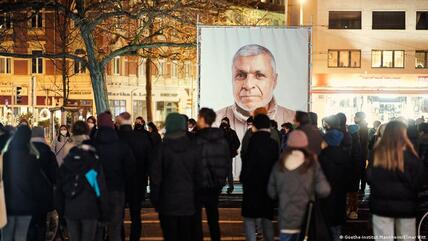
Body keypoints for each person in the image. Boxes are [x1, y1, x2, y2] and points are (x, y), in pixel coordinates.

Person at [215, 44, 295, 140]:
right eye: (240, 75)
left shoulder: (294, 121)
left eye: (259, 75)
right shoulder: (213, 123)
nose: (248, 85)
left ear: (274, 80)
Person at [367, 121, 426, 241]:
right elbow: (419, 181)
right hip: (407, 207)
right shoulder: (412, 156)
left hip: (381, 206)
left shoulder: (376, 154)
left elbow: (369, 177)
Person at [267, 130, 331, 241]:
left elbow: (271, 192)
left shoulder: (280, 164)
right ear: (305, 144)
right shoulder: (312, 163)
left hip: (286, 219)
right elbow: (324, 190)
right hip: (306, 220)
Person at [150, 113, 202, 241]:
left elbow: (155, 178)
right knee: (186, 235)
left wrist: (155, 200)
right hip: (188, 202)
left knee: (170, 236)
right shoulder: (193, 148)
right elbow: (200, 176)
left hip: (167, 202)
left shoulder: (161, 149)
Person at [93, 112, 136, 241]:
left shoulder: (93, 145)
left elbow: (88, 170)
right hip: (117, 189)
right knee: (115, 228)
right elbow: (130, 168)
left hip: (97, 191)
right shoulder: (121, 145)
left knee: (98, 228)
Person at [56, 141, 109, 241]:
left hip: (70, 210)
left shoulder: (67, 164)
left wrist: (62, 213)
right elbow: (99, 190)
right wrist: (104, 213)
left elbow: (59, 192)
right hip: (89, 210)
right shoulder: (92, 164)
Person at [240, 114, 278, 241]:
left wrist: (243, 178)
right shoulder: (273, 143)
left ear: (255, 126)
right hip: (268, 185)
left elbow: (247, 163)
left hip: (252, 186)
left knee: (249, 218)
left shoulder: (252, 141)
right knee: (266, 219)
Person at [194, 108, 230, 241]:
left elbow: (193, 164)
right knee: (213, 219)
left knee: (196, 221)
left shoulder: (197, 139)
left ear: (203, 119)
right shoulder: (222, 141)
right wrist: (220, 183)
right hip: (214, 187)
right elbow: (226, 164)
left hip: (198, 186)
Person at [2, 125, 41, 241]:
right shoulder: (32, 158)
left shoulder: (5, 156)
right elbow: (36, 184)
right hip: (26, 205)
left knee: (7, 237)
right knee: (21, 236)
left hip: (7, 205)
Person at [117, 112, 152, 241]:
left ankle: (119, 237)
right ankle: (134, 237)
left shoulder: (116, 137)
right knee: (136, 214)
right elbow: (149, 160)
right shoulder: (142, 138)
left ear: (119, 121)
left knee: (118, 215)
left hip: (119, 183)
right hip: (138, 182)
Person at [28, 127, 58, 241]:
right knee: (42, 223)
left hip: (29, 193)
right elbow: (55, 176)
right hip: (45, 193)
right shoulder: (49, 153)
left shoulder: (26, 151)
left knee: (31, 223)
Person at [319, 129, 350, 241]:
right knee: (337, 225)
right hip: (340, 194)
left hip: (326, 196)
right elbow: (348, 176)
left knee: (326, 224)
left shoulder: (322, 156)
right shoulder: (345, 155)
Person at [219, 117, 240, 194]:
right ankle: (223, 187)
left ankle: (230, 187)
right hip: (221, 155)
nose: (223, 123)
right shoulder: (219, 132)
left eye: (224, 122)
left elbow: (237, 142)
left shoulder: (231, 132)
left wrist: (233, 149)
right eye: (222, 122)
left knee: (228, 171)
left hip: (227, 155)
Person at [347, 124, 362, 220]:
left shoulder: (351, 143)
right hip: (355, 171)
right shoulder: (358, 142)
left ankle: (351, 210)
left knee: (350, 193)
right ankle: (353, 210)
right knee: (354, 193)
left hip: (350, 171)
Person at [354, 112, 369, 193]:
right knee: (362, 171)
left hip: (360, 152)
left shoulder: (361, 127)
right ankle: (362, 188)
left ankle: (361, 189)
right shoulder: (363, 126)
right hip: (363, 152)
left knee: (360, 171)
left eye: (355, 117)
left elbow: (361, 141)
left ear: (359, 118)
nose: (354, 118)